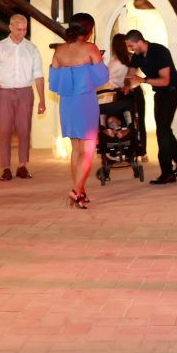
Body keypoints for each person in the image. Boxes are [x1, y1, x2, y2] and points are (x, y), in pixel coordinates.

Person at [49, 13, 108, 209]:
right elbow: (102, 78)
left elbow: (54, 82)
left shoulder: (59, 50)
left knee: (76, 149)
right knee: (88, 150)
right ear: (89, 30)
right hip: (85, 101)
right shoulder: (90, 48)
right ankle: (75, 191)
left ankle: (80, 191)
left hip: (67, 103)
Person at [126, 29, 177, 185]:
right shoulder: (137, 56)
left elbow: (165, 81)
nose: (130, 49)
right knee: (165, 130)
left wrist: (142, 80)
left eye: (131, 46)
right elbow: (131, 73)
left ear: (139, 41)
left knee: (162, 131)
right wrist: (127, 84)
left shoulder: (159, 51)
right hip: (160, 93)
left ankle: (167, 173)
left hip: (172, 91)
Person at [0, 14, 45, 181]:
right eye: (19, 29)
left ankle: (22, 166)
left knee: (24, 130)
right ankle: (5, 168)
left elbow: (38, 75)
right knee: (4, 131)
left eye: (25, 29)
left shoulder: (32, 48)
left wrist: (42, 99)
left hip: (25, 92)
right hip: (3, 92)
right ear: (10, 27)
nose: (22, 32)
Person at [101, 33, 147, 161]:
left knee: (125, 123)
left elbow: (109, 80)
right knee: (139, 121)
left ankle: (125, 150)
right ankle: (142, 151)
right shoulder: (133, 58)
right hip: (136, 92)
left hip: (122, 94)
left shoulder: (114, 62)